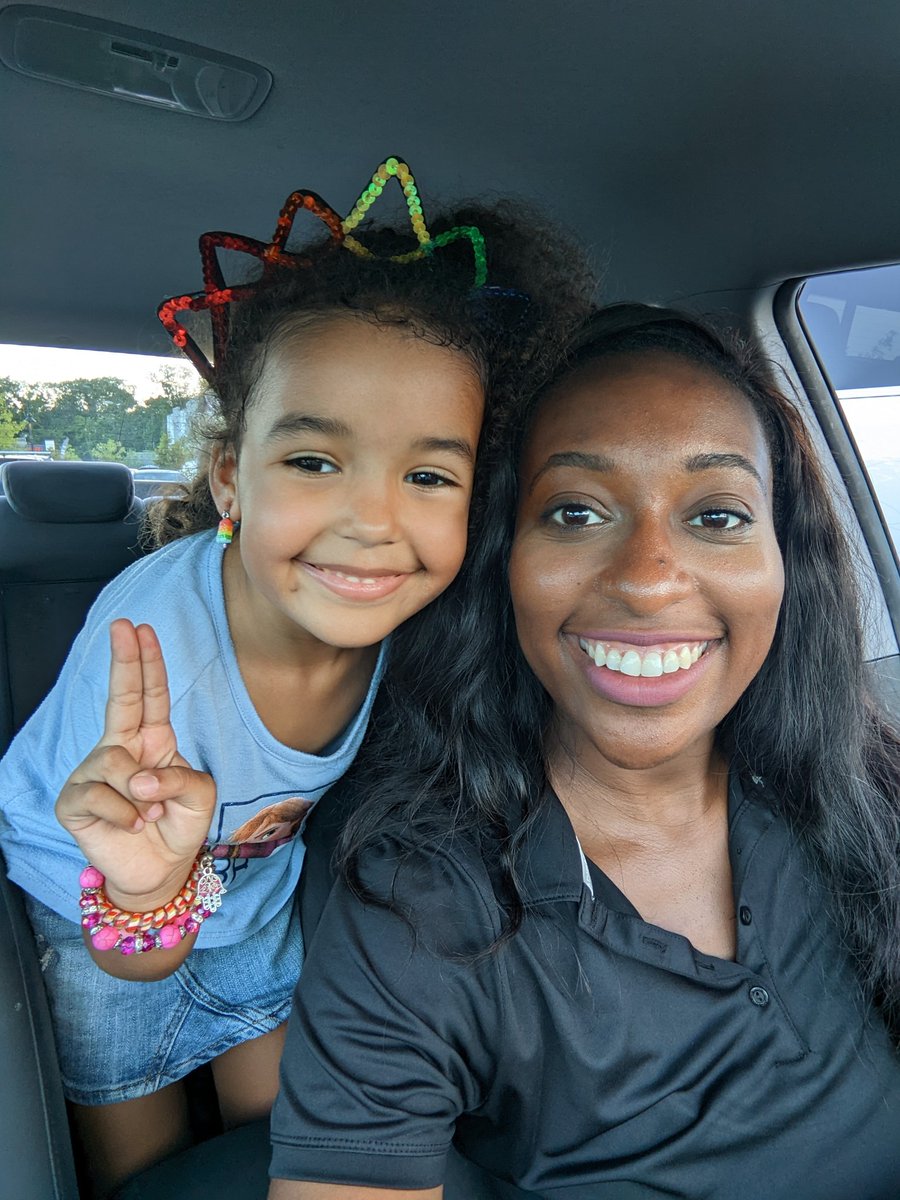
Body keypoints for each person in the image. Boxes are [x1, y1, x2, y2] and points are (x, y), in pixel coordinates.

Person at [0, 158, 594, 1196]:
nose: (372, 520)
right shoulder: (152, 651)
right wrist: (150, 893)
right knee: (139, 1155)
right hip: (93, 888)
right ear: (233, 475)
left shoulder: (422, 633)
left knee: (275, 1137)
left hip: (251, 886)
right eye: (315, 461)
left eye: (425, 476)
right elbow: (131, 942)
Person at [269, 304, 900, 1200]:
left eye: (717, 516)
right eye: (574, 510)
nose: (647, 579)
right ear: (503, 560)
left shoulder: (857, 787)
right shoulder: (421, 906)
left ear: (786, 561)